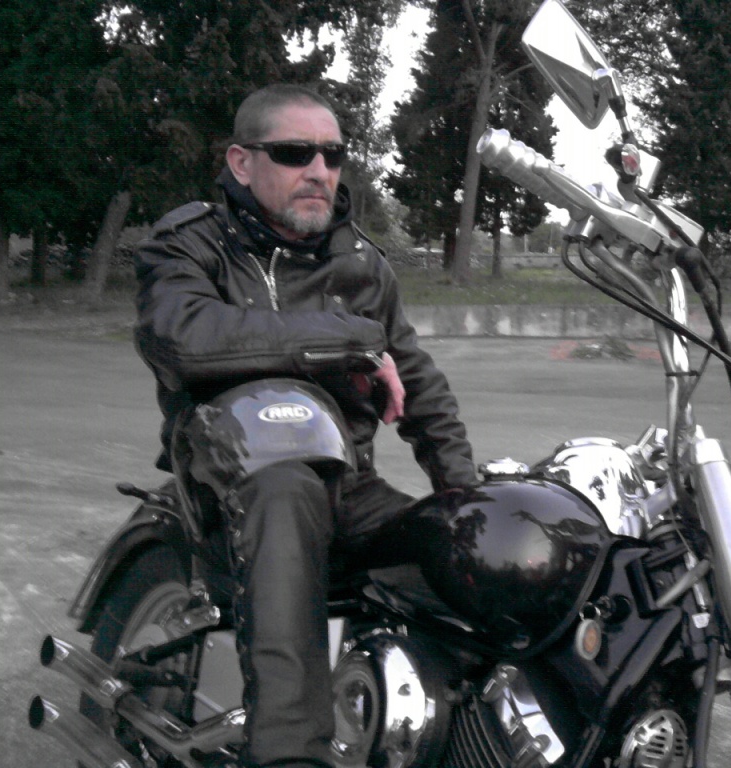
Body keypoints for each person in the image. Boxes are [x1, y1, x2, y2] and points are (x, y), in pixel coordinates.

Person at [132, 84, 476, 768]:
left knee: (472, 553)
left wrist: (464, 495)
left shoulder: (362, 263)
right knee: (286, 491)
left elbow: (419, 382)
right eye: (295, 153)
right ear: (242, 163)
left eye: (333, 154)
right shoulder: (190, 243)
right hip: (234, 483)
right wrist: (350, 338)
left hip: (348, 485)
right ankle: (291, 754)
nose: (319, 170)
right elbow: (185, 336)